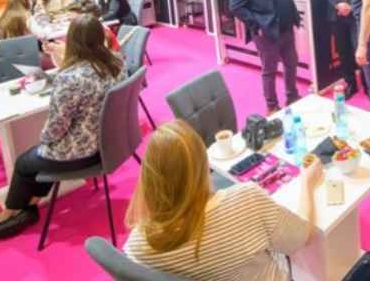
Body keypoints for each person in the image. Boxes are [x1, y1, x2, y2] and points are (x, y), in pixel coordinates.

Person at [0, 15, 126, 239]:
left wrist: (43, 139)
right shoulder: (116, 61)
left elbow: (55, 130)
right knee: (38, 159)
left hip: (82, 153)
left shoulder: (70, 78)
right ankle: (28, 207)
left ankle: (8, 212)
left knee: (25, 162)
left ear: (71, 41)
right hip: (109, 142)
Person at [124, 120, 324, 280]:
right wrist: (307, 184)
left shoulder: (137, 245)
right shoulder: (247, 200)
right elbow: (303, 236)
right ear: (203, 166)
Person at [229, 0, 301, 114]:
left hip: (286, 28)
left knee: (291, 63)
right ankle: (272, 106)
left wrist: (293, 16)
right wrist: (256, 25)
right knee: (270, 70)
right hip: (266, 33)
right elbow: (236, 7)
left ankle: (292, 96)